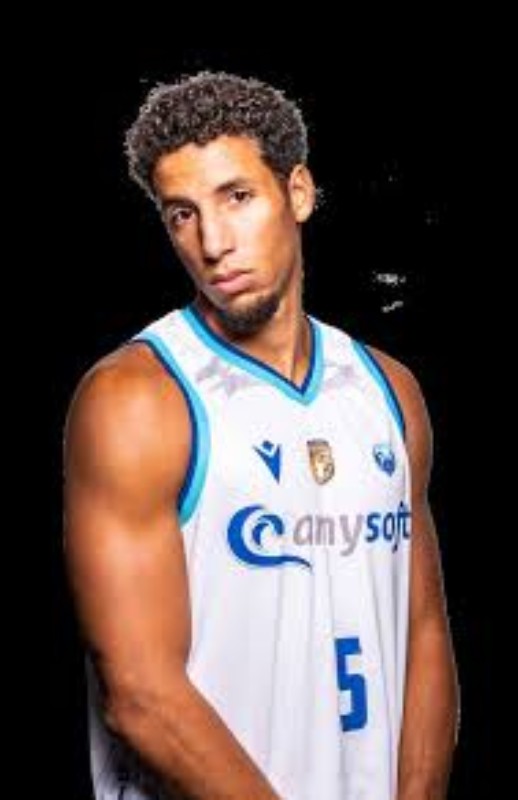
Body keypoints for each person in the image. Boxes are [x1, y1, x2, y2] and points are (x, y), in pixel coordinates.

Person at [63, 70, 459, 800]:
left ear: (298, 193)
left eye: (237, 197)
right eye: (182, 214)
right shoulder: (136, 399)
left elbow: (424, 633)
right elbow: (140, 693)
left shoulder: (387, 392)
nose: (213, 242)